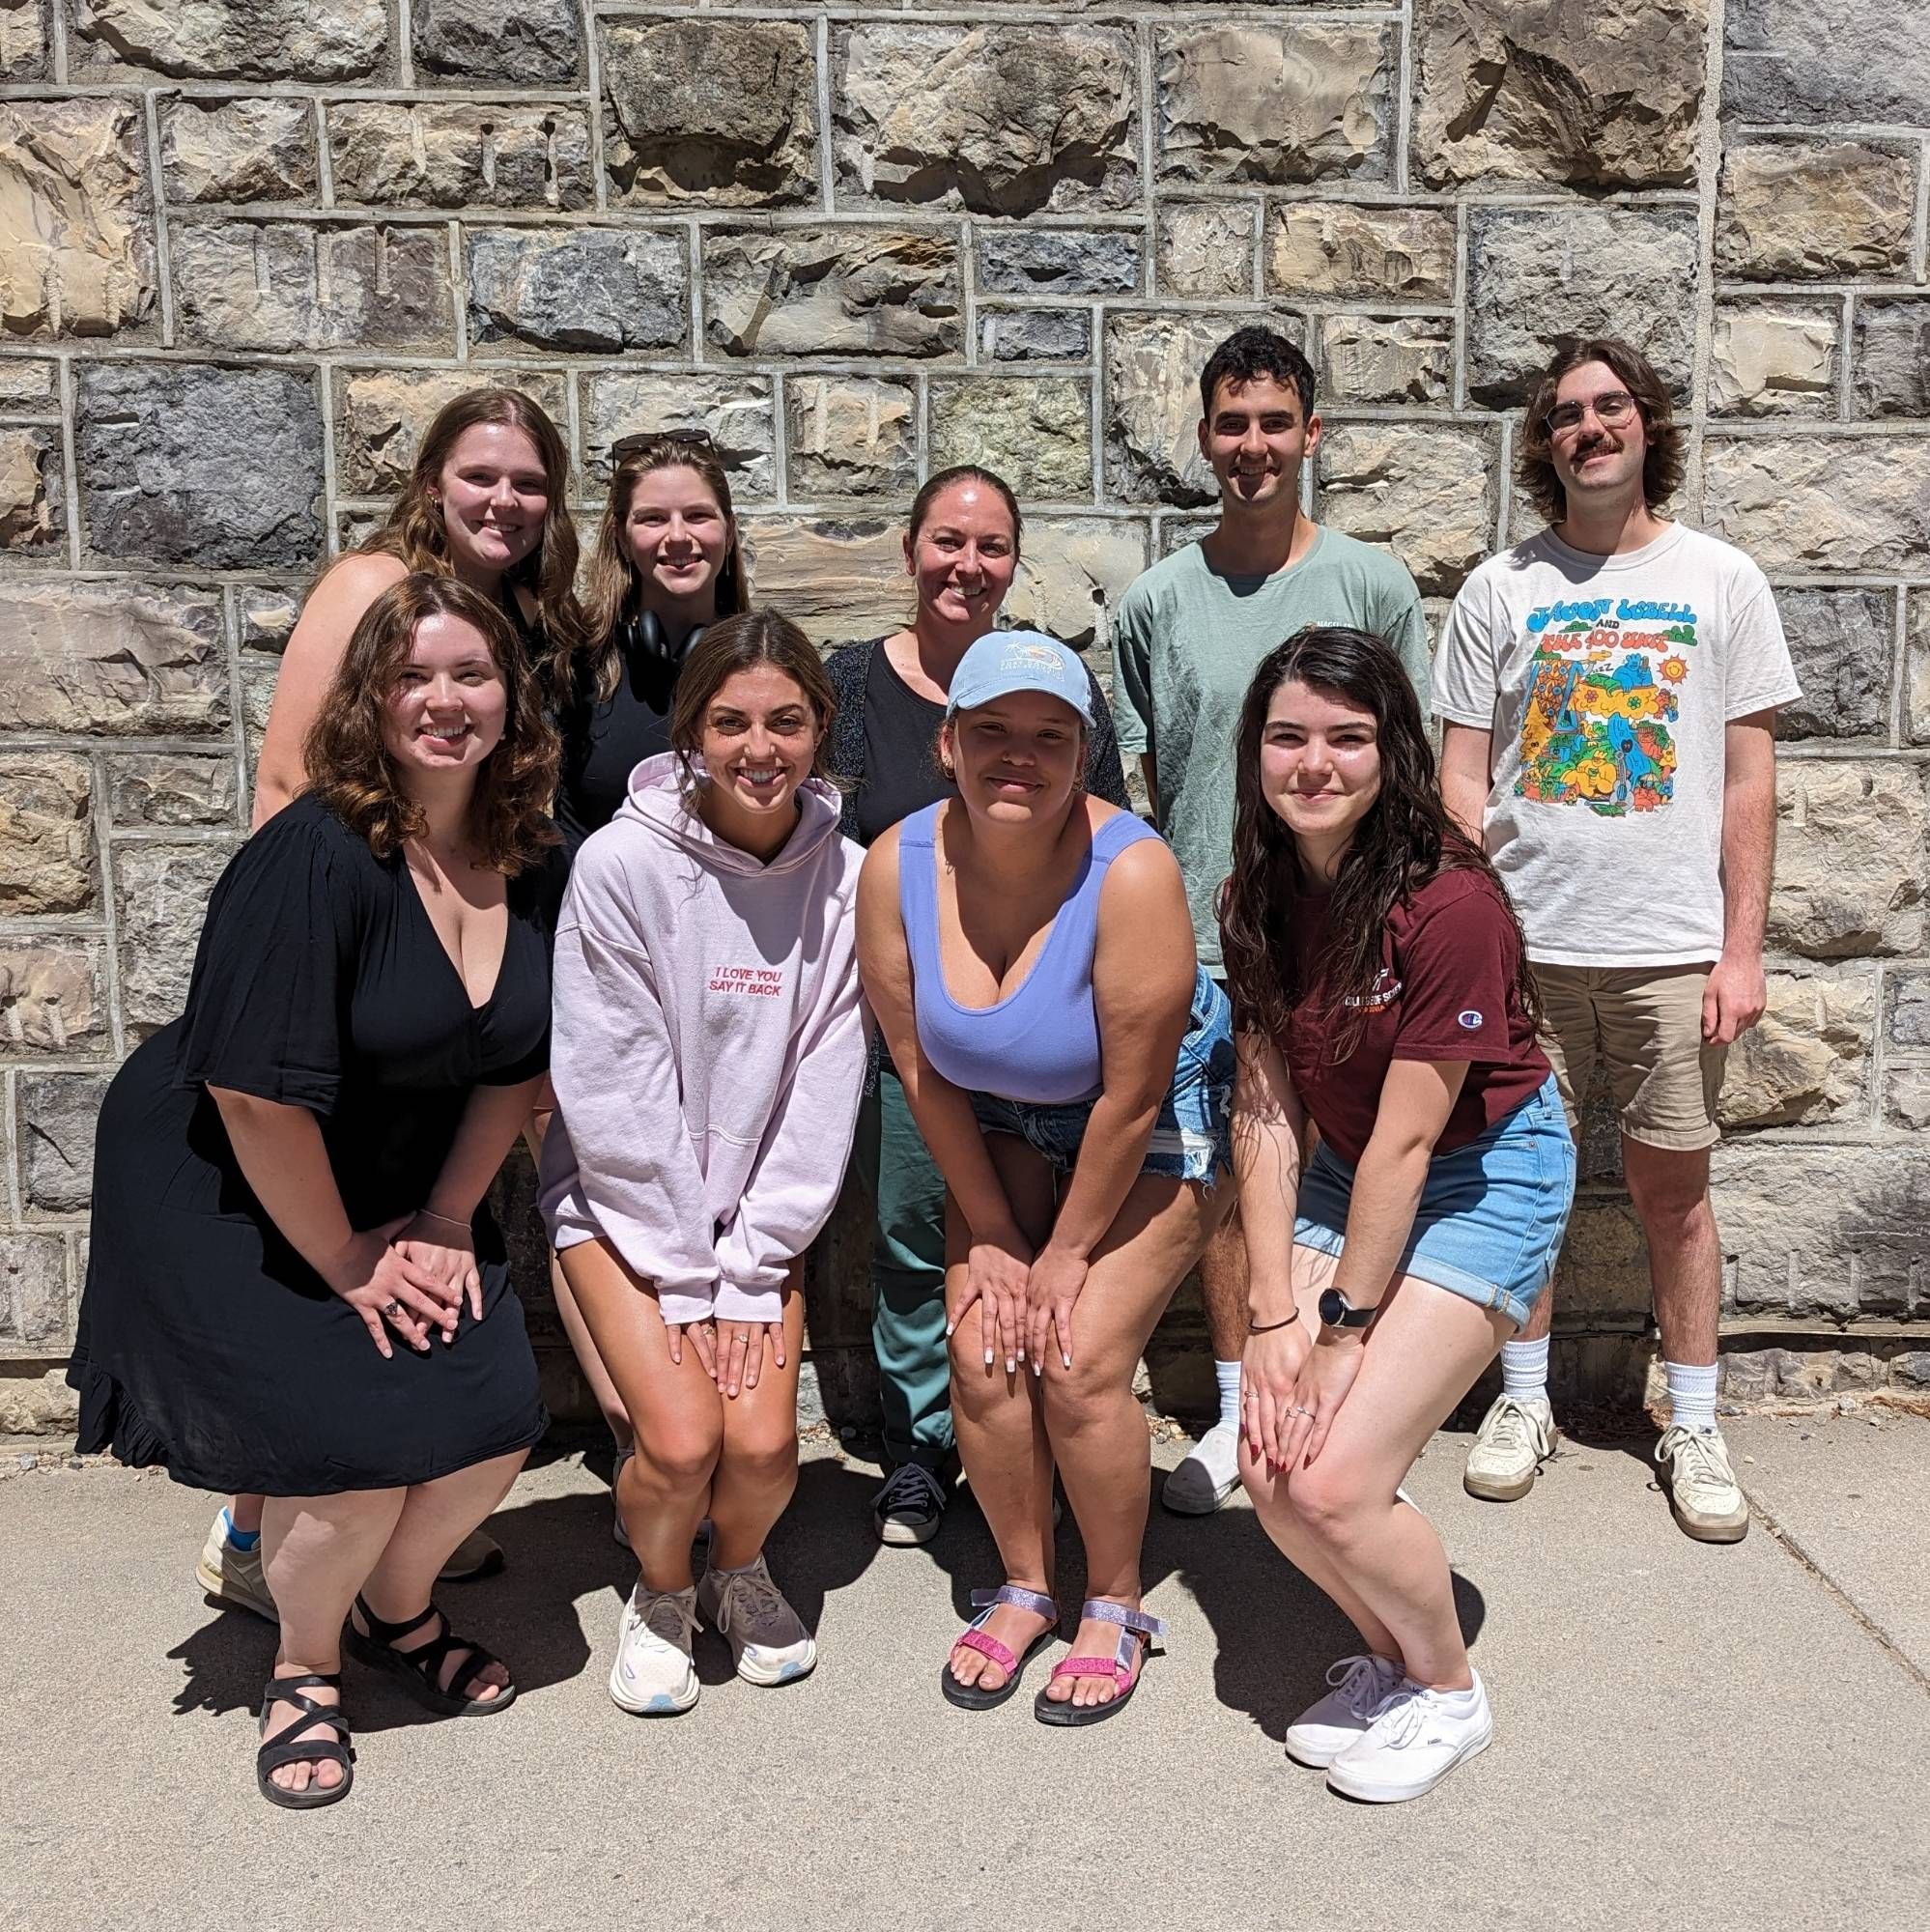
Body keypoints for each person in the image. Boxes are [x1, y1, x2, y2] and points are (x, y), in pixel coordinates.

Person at [70, 575, 565, 1808]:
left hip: (396, 1179)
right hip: (235, 1181)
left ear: (511, 698)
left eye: (471, 674)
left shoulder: (521, 849)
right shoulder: (317, 856)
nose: (444, 701)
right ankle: (305, 1662)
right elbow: (252, 1099)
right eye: (413, 677)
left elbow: (518, 1063)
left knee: (495, 1415)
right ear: (370, 699)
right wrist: (349, 1260)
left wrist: (449, 1218)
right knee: (347, 1458)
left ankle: (398, 1612)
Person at [201, 387, 580, 1614]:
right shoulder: (371, 585)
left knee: (421, 1269)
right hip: (350, 1001)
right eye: (481, 475)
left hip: (443, 1025)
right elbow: (283, 777)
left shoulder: (523, 617)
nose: (504, 500)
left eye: (528, 481)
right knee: (320, 1278)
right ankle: (262, 1537)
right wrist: (315, 973)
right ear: (429, 480)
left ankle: (384, 1524)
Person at [1436, 338, 1797, 1539]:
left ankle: (1692, 1415)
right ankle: (1523, 1399)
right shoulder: (1503, 587)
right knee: (1515, 1186)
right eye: (1567, 416)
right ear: (1545, 443)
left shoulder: (1722, 580)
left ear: (1648, 427)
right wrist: (1465, 937)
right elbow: (1461, 778)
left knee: (1674, 1193)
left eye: (1611, 408)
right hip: (1526, 949)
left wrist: (1741, 949)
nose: (1590, 428)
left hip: (1668, 946)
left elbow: (1750, 776)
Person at [1224, 624, 1575, 1803]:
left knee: (1327, 1478)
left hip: (1484, 1170)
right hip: (1346, 1166)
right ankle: (1387, 1657)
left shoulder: (1451, 901)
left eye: (1347, 737)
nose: (1314, 762)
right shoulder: (1257, 892)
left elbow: (1415, 1141)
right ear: (1255, 750)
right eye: (1288, 736)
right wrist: (1272, 1313)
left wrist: (1338, 1332)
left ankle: (1449, 1686)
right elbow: (1267, 1112)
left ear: (1393, 754)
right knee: (1271, 1462)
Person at [858, 630, 1234, 1725]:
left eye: (1048, 737)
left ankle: (1113, 1599)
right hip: (1005, 1119)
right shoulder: (896, 863)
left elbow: (1129, 1094)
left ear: (1084, 756)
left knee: (1072, 1357)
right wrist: (991, 1233)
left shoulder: (1135, 870)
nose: (1016, 757)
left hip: (1157, 1119)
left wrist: (1061, 1253)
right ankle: (1025, 1581)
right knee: (983, 1345)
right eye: (991, 732)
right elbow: (920, 1067)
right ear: (947, 743)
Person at [1111, 325, 1434, 1517]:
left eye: (1274, 422)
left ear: (1310, 433)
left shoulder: (1372, 584)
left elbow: (1406, 760)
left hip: (1351, 943)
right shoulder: (1154, 602)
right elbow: (1153, 777)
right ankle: (1245, 1403)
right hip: (1208, 945)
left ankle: (1342, 1389)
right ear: (1203, 438)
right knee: (1230, 1189)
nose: (1252, 446)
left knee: (1351, 1168)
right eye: (1231, 424)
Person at [541, 613, 866, 1717]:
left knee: (767, 1448)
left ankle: (736, 1568)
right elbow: (610, 1090)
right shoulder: (620, 864)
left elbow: (824, 1086)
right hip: (624, 1204)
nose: (758, 747)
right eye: (730, 722)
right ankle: (666, 1586)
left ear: (821, 725)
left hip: (753, 1219)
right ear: (690, 733)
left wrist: (753, 1260)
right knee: (681, 1447)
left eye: (785, 719)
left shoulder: (847, 878)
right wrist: (688, 1271)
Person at [825, 467, 1130, 1548]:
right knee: (918, 1233)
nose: (968, 564)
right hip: (917, 1018)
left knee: (1036, 1242)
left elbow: (1105, 826)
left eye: (992, 545)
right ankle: (920, 1448)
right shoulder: (854, 683)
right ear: (910, 550)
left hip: (1037, 1013)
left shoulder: (1058, 680)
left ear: (1015, 560)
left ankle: (1026, 1447)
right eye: (948, 541)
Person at [542, 429, 751, 1540]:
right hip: (599, 970)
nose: (678, 536)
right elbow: (543, 811)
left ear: (726, 528)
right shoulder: (582, 664)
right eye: (654, 517)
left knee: (709, 1187)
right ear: (623, 533)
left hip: (724, 988)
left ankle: (702, 1411)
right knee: (594, 1185)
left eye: (698, 515)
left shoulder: (755, 656)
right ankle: (637, 1432)